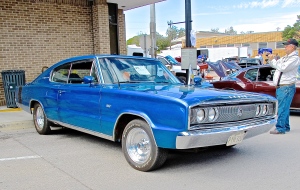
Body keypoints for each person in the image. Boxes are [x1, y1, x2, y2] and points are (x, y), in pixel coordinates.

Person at [268, 38, 300, 134]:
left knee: (282, 108)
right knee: (284, 107)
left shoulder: (294, 58)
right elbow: (276, 64)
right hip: (283, 86)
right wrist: (271, 60)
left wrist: (273, 60)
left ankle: (280, 128)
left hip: (286, 86)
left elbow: (283, 68)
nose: (285, 47)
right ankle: (285, 126)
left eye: (287, 45)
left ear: (293, 47)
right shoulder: (286, 57)